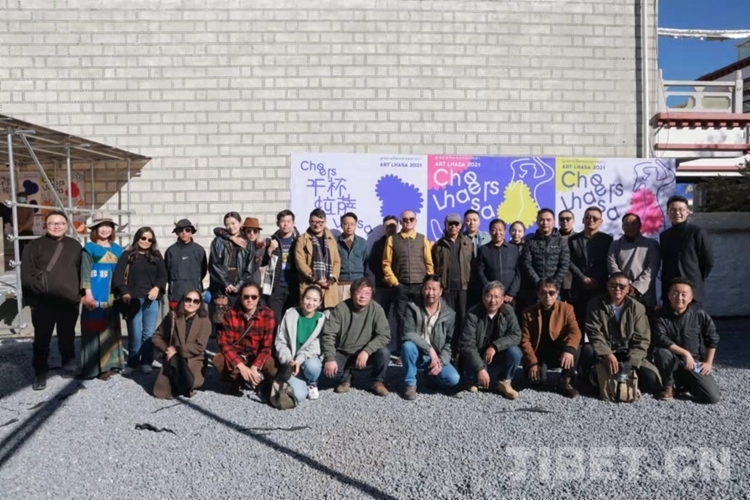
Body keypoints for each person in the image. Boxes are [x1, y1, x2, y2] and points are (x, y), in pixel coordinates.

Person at [21, 210, 82, 390]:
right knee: (42, 340)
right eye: (53, 223)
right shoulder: (34, 245)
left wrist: (79, 295)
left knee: (67, 336)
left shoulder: (75, 245)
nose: (57, 226)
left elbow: (81, 271)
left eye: (61, 223)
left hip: (68, 301)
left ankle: (69, 366)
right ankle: (40, 372)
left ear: (66, 225)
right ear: (45, 225)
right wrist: (31, 300)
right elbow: (26, 274)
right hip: (42, 303)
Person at [580, 273, 661, 396]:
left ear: (628, 289)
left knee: (651, 379)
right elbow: (593, 332)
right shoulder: (595, 304)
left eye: (622, 286)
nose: (617, 289)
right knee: (587, 350)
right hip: (604, 351)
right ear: (607, 286)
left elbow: (642, 339)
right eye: (613, 285)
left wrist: (632, 363)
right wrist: (607, 354)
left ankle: (627, 384)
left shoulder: (637, 307)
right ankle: (591, 384)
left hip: (628, 352)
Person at [652, 278, 720, 404]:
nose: (679, 297)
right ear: (669, 295)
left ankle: (684, 383)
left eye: (684, 294)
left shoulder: (699, 314)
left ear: (691, 297)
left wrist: (708, 362)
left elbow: (712, 337)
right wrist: (685, 353)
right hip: (671, 359)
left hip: (693, 362)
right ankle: (669, 384)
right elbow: (660, 338)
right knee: (661, 352)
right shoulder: (659, 315)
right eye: (675, 293)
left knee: (712, 397)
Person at [321, 277, 391, 396]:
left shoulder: (377, 309)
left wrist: (367, 351)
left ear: (371, 295)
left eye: (367, 293)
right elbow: (328, 334)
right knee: (330, 371)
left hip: (366, 352)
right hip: (344, 351)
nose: (363, 296)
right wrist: (330, 358)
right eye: (359, 292)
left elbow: (384, 335)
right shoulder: (341, 308)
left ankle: (377, 381)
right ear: (352, 293)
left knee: (384, 353)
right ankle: (346, 378)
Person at [113, 226, 168, 376]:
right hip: (133, 300)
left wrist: (157, 287)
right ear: (137, 238)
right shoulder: (127, 255)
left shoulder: (156, 256)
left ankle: (146, 362)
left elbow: (163, 275)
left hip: (151, 299)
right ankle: (133, 361)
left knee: (148, 333)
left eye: (150, 239)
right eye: (143, 238)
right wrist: (124, 292)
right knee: (135, 332)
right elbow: (118, 275)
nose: (146, 241)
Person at [79, 211, 124, 381]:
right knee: (93, 331)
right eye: (101, 226)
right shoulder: (89, 249)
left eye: (108, 226)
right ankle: (92, 368)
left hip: (112, 297)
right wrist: (87, 294)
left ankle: (110, 365)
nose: (105, 230)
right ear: (95, 229)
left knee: (110, 330)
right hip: (95, 296)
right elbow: (85, 273)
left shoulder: (117, 249)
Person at [400, 275, 461, 400]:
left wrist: (441, 362)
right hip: (418, 353)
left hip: (436, 357)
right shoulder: (412, 308)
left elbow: (450, 343)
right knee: (408, 346)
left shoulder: (449, 314)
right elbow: (408, 333)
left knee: (453, 379)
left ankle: (430, 375)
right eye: (427, 289)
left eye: (434, 289)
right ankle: (410, 384)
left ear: (441, 291)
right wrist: (429, 350)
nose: (430, 293)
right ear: (422, 290)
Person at [459, 281, 523, 399]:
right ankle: (474, 379)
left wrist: (495, 346)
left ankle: (504, 381)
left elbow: (516, 335)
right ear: (483, 298)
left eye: (496, 297)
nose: (493, 301)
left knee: (515, 352)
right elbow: (467, 344)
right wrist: (480, 368)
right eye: (489, 296)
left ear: (503, 299)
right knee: (473, 380)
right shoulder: (472, 314)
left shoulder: (508, 311)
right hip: (477, 354)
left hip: (497, 353)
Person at [382, 210, 434, 354]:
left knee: (421, 318)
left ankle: (421, 349)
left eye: (411, 219)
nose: (408, 222)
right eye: (405, 219)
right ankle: (402, 351)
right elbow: (386, 264)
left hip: (420, 286)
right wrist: (395, 283)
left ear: (415, 221)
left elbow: (429, 264)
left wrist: (427, 283)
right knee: (401, 319)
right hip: (401, 287)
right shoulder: (392, 239)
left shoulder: (422, 239)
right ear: (401, 222)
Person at [519, 279, 581, 398]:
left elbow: (575, 331)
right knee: (535, 381)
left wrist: (569, 350)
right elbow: (525, 340)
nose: (547, 296)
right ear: (538, 294)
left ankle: (565, 380)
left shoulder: (567, 309)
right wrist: (532, 362)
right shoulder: (528, 312)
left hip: (558, 351)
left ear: (557, 294)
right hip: (539, 353)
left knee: (575, 348)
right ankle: (540, 371)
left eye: (551, 293)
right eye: (543, 293)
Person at [214, 282, 278, 395]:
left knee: (272, 366)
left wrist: (255, 366)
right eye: (246, 297)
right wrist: (241, 366)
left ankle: (260, 380)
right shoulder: (230, 313)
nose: (250, 300)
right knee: (218, 360)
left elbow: (267, 346)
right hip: (239, 355)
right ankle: (238, 379)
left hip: (256, 355)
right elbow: (224, 343)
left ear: (259, 297)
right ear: (240, 297)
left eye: (254, 297)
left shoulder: (268, 314)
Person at [152, 290, 212, 399]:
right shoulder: (172, 316)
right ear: (182, 301)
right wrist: (167, 350)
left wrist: (177, 349)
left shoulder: (204, 321)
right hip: (173, 358)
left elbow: (200, 346)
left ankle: (184, 383)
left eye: (195, 301)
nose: (191, 303)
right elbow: (157, 337)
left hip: (194, 359)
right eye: (188, 300)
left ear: (200, 304)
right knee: (162, 393)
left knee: (189, 383)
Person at [659, 195, 714, 308]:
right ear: (667, 212)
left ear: (688, 211)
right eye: (673, 210)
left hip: (691, 291)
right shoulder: (664, 236)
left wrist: (695, 278)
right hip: (670, 290)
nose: (677, 213)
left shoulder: (697, 232)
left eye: (681, 210)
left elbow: (707, 262)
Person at [274, 285, 326, 402]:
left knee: (313, 366)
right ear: (302, 299)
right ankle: (297, 379)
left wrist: (299, 359)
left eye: (315, 300)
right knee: (299, 396)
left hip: (308, 359)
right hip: (291, 362)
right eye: (308, 298)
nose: (310, 303)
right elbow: (280, 341)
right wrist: (289, 360)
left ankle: (312, 382)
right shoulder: (290, 314)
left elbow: (316, 346)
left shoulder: (322, 320)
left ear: (319, 303)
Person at [568, 207, 613, 327]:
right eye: (587, 217)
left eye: (595, 218)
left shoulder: (608, 240)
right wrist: (583, 278)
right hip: (579, 288)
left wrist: (597, 280)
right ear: (583, 220)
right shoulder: (573, 240)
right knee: (579, 322)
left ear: (601, 221)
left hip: (600, 287)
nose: (591, 220)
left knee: (600, 322)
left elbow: (609, 262)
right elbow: (569, 262)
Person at [607, 213, 661, 310]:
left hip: (644, 295)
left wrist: (636, 287)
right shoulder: (615, 245)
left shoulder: (651, 244)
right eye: (626, 224)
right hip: (621, 293)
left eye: (633, 223)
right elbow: (612, 265)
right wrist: (624, 285)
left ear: (640, 225)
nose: (630, 227)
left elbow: (652, 268)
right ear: (622, 226)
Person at [431, 213, 473, 337]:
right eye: (450, 224)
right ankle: (449, 345)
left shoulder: (468, 243)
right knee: (447, 318)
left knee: (463, 318)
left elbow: (473, 264)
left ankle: (461, 346)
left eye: (456, 224)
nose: (453, 226)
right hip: (446, 288)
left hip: (464, 288)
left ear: (460, 226)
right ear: (446, 225)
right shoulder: (438, 245)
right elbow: (434, 266)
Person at [520, 209, 570, 310]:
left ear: (553, 222)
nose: (545, 223)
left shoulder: (561, 241)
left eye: (548, 220)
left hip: (554, 290)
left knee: (555, 317)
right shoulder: (530, 242)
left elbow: (564, 264)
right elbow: (526, 263)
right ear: (537, 222)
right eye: (542, 220)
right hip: (534, 289)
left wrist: (553, 284)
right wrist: (539, 284)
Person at [295, 208, 341, 309]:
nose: (317, 225)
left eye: (320, 222)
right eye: (314, 222)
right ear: (309, 222)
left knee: (328, 314)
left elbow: (337, 261)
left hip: (329, 285)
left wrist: (332, 279)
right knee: (310, 313)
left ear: (325, 222)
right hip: (310, 283)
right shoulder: (302, 239)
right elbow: (300, 262)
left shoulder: (331, 239)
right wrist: (315, 278)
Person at [261, 209, 300, 325]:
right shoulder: (272, 241)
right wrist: (270, 250)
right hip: (276, 286)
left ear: (293, 223)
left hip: (293, 286)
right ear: (278, 223)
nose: (285, 224)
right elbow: (262, 263)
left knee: (291, 321)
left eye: (288, 221)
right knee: (275, 320)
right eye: (283, 221)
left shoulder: (299, 241)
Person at [208, 212, 248, 324]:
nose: (231, 227)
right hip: (222, 284)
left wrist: (239, 284)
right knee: (221, 320)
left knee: (239, 318)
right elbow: (214, 264)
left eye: (233, 223)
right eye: (227, 224)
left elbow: (249, 266)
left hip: (240, 282)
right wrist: (226, 283)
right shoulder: (218, 241)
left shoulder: (246, 240)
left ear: (240, 223)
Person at [473, 218, 520, 305]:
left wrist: (511, 293)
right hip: (491, 297)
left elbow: (518, 273)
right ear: (490, 232)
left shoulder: (513, 249)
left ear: (505, 231)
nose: (497, 233)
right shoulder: (483, 250)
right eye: (494, 230)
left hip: (509, 297)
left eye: (500, 230)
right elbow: (480, 272)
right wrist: (490, 290)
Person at [165, 218, 207, 311]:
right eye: (180, 230)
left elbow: (203, 271)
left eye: (187, 230)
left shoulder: (199, 250)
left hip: (194, 295)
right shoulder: (171, 251)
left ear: (191, 232)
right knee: (176, 319)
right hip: (176, 294)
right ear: (177, 232)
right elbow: (167, 272)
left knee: (195, 319)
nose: (184, 233)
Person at [368, 215, 399, 317]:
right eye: (388, 226)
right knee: (380, 314)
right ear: (384, 228)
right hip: (382, 285)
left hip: (399, 285)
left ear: (398, 227)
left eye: (393, 226)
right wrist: (384, 277)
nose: (390, 229)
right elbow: (373, 263)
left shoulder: (403, 242)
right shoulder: (378, 244)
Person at [336, 212, 368, 303]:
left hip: (358, 282)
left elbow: (365, 261)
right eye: (346, 224)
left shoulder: (362, 242)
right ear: (341, 225)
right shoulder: (335, 242)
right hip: (341, 282)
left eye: (352, 224)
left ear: (356, 225)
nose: (349, 227)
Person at [557, 210, 576, 302]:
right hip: (556, 280)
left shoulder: (578, 238)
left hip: (574, 281)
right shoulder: (552, 237)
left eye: (568, 219)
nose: (565, 221)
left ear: (573, 221)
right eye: (562, 219)